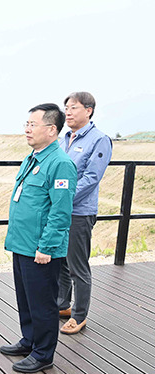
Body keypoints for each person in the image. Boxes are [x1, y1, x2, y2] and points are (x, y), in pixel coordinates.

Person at [0, 103, 77, 373]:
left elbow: (60, 211)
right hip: (22, 243)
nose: (27, 129)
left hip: (40, 249)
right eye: (27, 124)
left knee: (43, 302)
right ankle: (29, 340)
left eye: (33, 125)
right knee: (26, 298)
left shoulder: (60, 164)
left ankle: (43, 354)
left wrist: (47, 246)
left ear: (52, 130)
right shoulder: (33, 157)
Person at [58, 92, 112, 335]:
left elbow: (91, 178)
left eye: (73, 108)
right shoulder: (63, 139)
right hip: (59, 209)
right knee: (60, 261)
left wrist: (64, 200)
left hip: (79, 212)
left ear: (88, 110)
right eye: (66, 108)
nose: (68, 112)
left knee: (77, 265)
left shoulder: (99, 140)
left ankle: (79, 316)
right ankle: (62, 305)